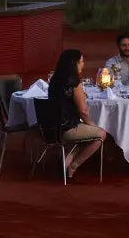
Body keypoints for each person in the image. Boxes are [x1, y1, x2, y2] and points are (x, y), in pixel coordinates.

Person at [45, 49, 108, 181]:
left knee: (87, 135)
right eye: (81, 61)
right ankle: (73, 167)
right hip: (68, 129)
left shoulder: (54, 80)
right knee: (100, 134)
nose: (83, 64)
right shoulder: (74, 83)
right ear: (75, 64)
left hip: (51, 128)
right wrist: (92, 125)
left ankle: (64, 163)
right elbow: (83, 111)